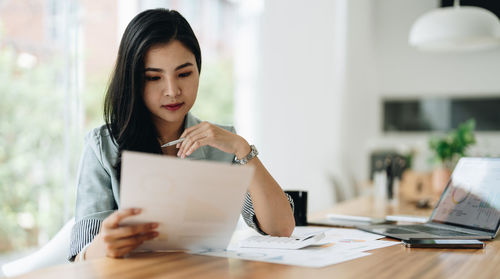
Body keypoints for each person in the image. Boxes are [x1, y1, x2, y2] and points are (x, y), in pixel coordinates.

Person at [69, 8, 295, 261]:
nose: (172, 90)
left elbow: (281, 229)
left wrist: (243, 149)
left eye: (184, 74)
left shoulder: (223, 145)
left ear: (199, 70)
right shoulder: (102, 147)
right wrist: (106, 243)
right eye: (154, 77)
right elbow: (81, 258)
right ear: (132, 81)